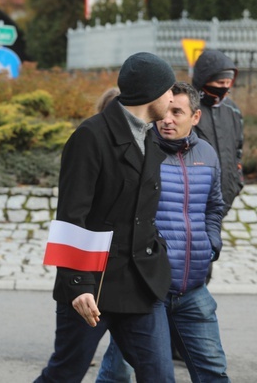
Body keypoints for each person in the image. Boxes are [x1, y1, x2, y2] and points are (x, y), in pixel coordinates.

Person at [34, 52, 176, 383]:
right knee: (65, 374)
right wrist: (79, 285)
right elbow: (71, 217)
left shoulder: (150, 137)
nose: (172, 97)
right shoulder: (91, 136)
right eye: (169, 89)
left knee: (160, 377)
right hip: (91, 287)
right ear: (152, 91)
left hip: (140, 284)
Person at [97, 82, 230, 382]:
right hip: (145, 290)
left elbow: (214, 206)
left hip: (192, 289)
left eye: (177, 112)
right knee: (123, 371)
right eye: (164, 110)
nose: (167, 118)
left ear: (195, 117)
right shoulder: (140, 150)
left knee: (213, 371)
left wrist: (211, 245)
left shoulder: (207, 154)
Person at [192, 50, 244, 217]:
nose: (225, 87)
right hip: (192, 199)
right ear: (205, 80)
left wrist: (237, 182)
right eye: (221, 82)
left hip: (224, 197)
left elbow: (238, 150)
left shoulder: (233, 110)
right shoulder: (187, 107)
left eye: (229, 82)